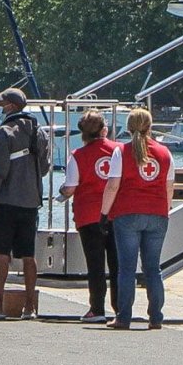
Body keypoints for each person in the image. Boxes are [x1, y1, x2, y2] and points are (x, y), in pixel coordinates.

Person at [99, 108, 174, 331]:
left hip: (127, 214)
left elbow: (112, 185)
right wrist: (165, 210)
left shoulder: (121, 152)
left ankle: (124, 317)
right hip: (158, 214)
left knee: (127, 268)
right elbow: (169, 188)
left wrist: (104, 213)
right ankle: (156, 317)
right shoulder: (165, 153)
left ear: (129, 127)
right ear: (150, 126)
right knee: (153, 268)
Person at [0, 88, 50, 320]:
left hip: (4, 201)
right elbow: (45, 167)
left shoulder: (3, 132)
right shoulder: (39, 131)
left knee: (1, 254)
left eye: (1, 103)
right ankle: (29, 307)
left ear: (9, 106)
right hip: (30, 201)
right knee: (28, 255)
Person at [58, 110, 119, 322]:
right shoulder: (119, 151)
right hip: (115, 214)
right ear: (105, 129)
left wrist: (61, 193)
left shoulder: (77, 155)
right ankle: (121, 308)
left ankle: (97, 309)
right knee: (117, 264)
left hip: (88, 216)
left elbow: (71, 187)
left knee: (95, 265)